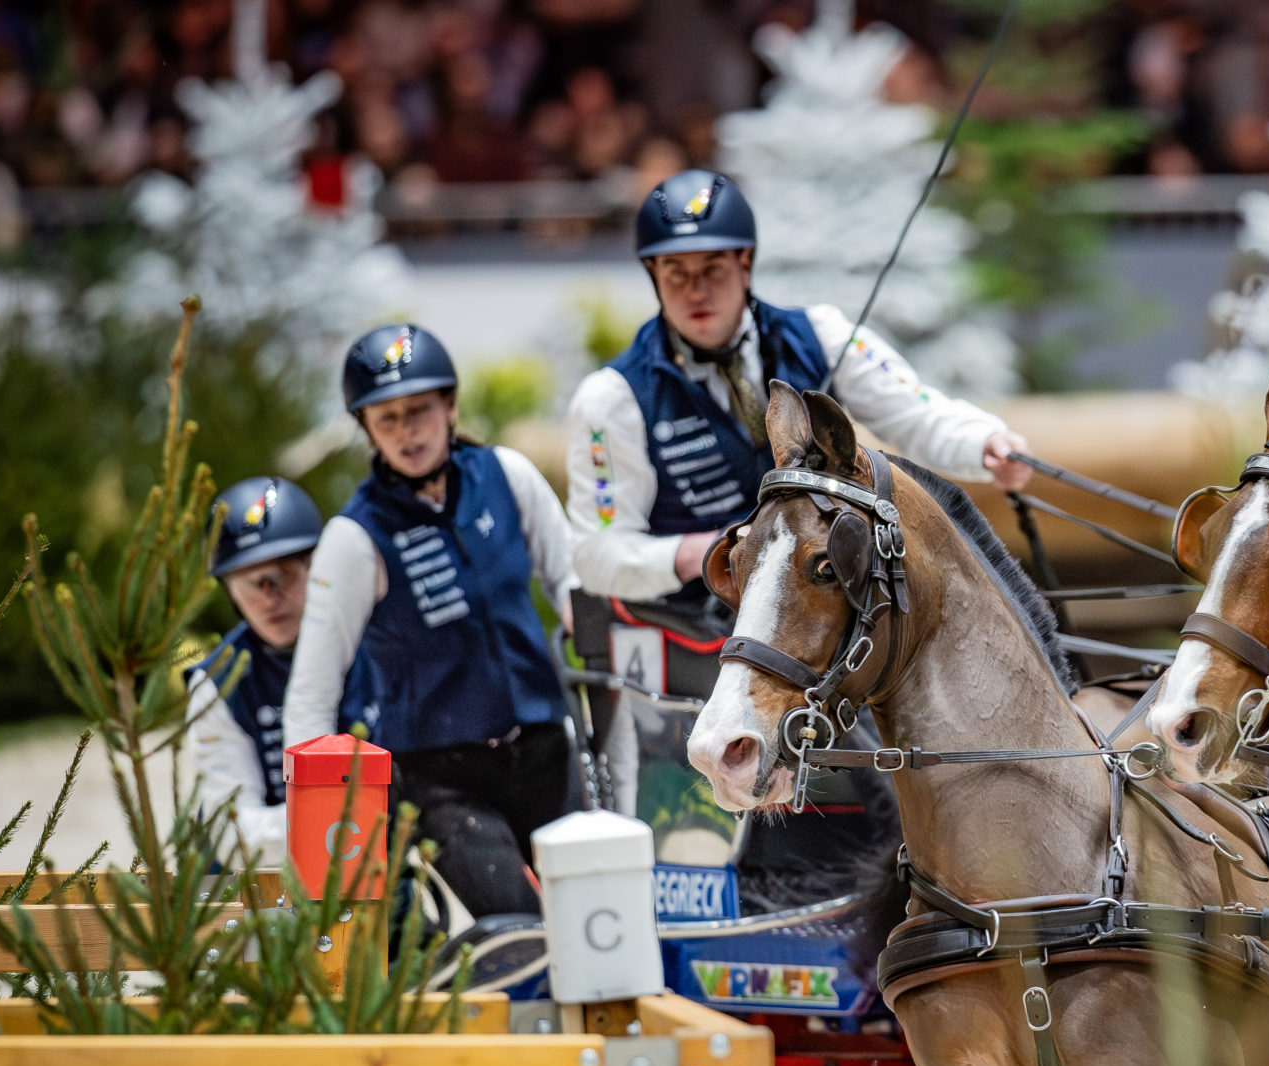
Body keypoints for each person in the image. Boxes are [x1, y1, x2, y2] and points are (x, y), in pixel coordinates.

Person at [565, 167, 1032, 610]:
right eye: (676, 273)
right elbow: (596, 555)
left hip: (826, 618)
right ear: (653, 275)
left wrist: (983, 442)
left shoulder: (823, 336)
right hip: (700, 632)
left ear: (745, 262)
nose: (696, 291)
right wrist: (705, 551)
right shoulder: (613, 399)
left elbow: (918, 411)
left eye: (713, 269)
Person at [286, 323, 581, 919]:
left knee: (595, 917)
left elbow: (575, 586)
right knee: (520, 930)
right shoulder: (354, 538)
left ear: (450, 406)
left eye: (418, 410)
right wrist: (318, 833)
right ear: (365, 427)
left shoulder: (508, 476)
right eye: (385, 418)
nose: (405, 431)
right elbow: (312, 696)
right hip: (440, 781)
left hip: (546, 751)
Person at [184, 476, 371, 858]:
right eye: (251, 583)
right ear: (229, 590)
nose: (270, 598)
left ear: (316, 567)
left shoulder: (369, 648)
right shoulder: (217, 684)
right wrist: (329, 824)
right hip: (258, 881)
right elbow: (230, 827)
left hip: (369, 860)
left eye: (283, 574)